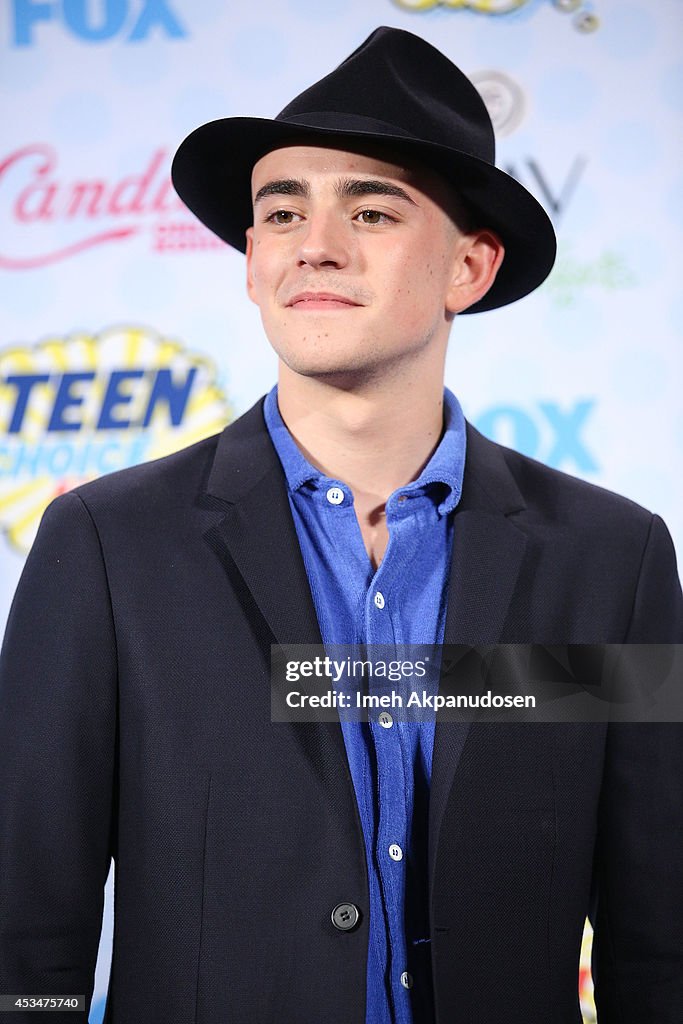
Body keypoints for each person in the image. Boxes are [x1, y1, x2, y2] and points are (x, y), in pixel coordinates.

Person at [0, 25, 681, 1024]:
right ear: (249, 263)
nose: (313, 243)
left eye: (370, 208)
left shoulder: (610, 562)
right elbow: (25, 934)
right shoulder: (105, 548)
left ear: (469, 269)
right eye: (280, 211)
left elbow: (654, 939)